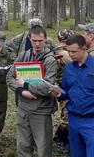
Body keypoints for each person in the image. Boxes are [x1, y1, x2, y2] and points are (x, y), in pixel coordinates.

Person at [51, 34, 94, 157]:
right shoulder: (68, 68)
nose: (70, 55)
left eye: (74, 51)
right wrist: (59, 94)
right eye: (68, 51)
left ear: (84, 49)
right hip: (74, 120)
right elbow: (68, 91)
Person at [6, 24, 58, 157]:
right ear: (29, 39)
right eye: (34, 40)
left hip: (41, 111)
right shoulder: (23, 56)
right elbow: (9, 77)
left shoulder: (50, 60)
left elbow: (47, 87)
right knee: (23, 145)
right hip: (23, 108)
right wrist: (22, 91)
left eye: (40, 40)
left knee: (43, 147)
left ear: (45, 39)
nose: (37, 44)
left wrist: (26, 85)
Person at [52, 29, 74, 154]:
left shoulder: (56, 51)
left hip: (61, 87)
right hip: (65, 87)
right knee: (67, 116)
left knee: (65, 113)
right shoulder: (65, 55)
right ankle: (60, 139)